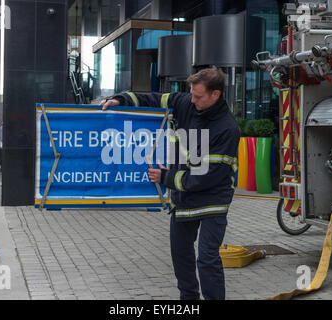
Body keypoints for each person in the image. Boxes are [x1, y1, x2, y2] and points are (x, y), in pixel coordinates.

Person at [101, 67, 240, 300]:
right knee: (181, 257)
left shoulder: (227, 128)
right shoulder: (186, 102)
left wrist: (166, 178)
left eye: (198, 96)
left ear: (215, 95)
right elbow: (153, 98)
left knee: (206, 259)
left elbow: (206, 176)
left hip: (212, 201)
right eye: (192, 94)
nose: (192, 100)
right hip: (183, 198)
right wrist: (121, 99)